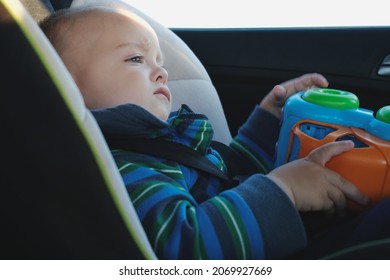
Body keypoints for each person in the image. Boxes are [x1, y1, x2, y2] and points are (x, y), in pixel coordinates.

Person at [39, 4, 370, 259]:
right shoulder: (123, 166)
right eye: (136, 58)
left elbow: (227, 175)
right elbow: (188, 250)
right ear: (64, 89)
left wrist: (269, 118)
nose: (161, 73)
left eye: (160, 62)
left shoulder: (158, 141)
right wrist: (286, 191)